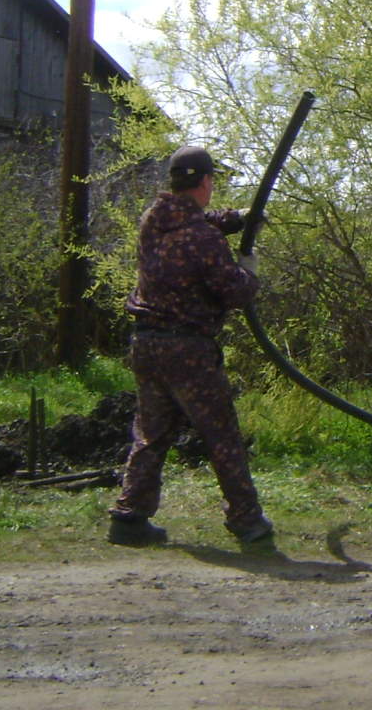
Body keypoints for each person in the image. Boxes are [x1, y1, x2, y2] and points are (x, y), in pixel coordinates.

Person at [107, 145, 274, 549]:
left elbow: (199, 221)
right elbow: (235, 293)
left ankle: (129, 518)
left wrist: (237, 218)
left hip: (147, 343)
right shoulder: (203, 238)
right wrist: (249, 271)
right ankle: (247, 520)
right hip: (188, 349)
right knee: (221, 434)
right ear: (206, 182)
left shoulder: (153, 219)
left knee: (151, 433)